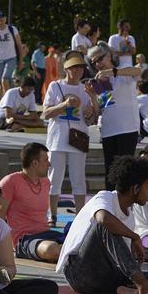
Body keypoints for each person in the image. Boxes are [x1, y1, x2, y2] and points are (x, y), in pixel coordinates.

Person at [57, 156, 148, 294]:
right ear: (136, 188)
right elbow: (103, 219)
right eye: (147, 186)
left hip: (107, 277)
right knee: (105, 227)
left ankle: (133, 289)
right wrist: (135, 237)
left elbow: (119, 256)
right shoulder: (105, 197)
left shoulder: (130, 214)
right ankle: (143, 288)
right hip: (80, 274)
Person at [43, 51, 96, 221]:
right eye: (75, 68)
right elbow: (46, 113)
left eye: (81, 68)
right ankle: (52, 214)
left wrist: (91, 106)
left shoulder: (85, 88)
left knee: (78, 179)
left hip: (78, 138)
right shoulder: (55, 86)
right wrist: (64, 105)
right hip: (57, 139)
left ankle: (80, 215)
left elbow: (92, 119)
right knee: (54, 178)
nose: (79, 71)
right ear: (67, 69)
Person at [0, 143, 65, 263]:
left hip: (47, 234)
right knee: (51, 250)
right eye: (46, 160)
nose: (49, 164)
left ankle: (66, 252)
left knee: (83, 241)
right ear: (35, 163)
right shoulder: (10, 182)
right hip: (24, 239)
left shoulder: (45, 182)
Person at [87, 43, 141, 189]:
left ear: (109, 55)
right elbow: (98, 111)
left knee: (125, 170)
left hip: (127, 128)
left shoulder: (122, 72)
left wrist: (112, 72)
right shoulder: (98, 81)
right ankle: (110, 205)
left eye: (100, 59)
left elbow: (138, 70)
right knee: (110, 172)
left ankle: (125, 206)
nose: (97, 64)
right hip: (108, 129)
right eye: (94, 62)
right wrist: (92, 96)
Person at [0, 11, 23, 95]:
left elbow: (19, 45)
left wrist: (20, 61)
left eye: (1, 20)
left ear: (5, 19)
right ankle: (0, 103)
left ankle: (8, 100)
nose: (0, 22)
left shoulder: (12, 29)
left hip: (11, 58)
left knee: (4, 79)